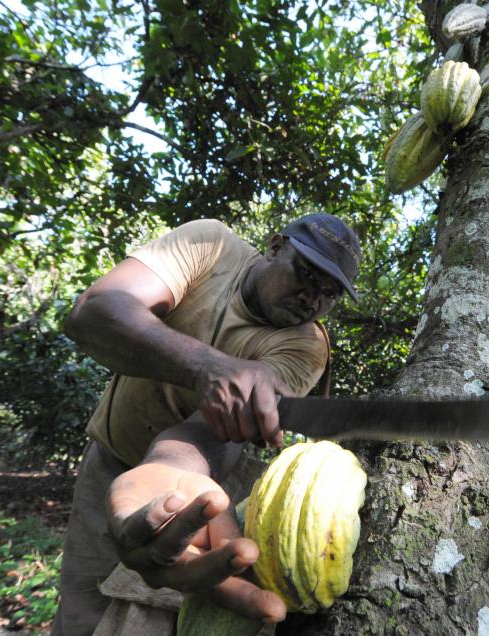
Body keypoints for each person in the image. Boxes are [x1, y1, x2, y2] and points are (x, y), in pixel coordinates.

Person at [52, 213, 361, 635]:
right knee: (81, 613)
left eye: (329, 294)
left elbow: (217, 429)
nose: (312, 300)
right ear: (274, 246)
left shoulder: (305, 346)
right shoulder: (211, 247)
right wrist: (207, 368)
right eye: (306, 275)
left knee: (143, 617)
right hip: (107, 462)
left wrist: (170, 471)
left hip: (198, 490)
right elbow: (95, 312)